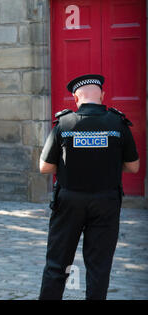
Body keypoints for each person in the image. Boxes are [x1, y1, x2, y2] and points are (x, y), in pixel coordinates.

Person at [38, 74, 139, 300]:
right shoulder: (118, 124)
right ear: (102, 96)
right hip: (106, 202)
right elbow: (134, 167)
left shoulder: (64, 124)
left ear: (76, 98)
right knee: (99, 268)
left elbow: (44, 167)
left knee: (57, 265)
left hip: (69, 202)